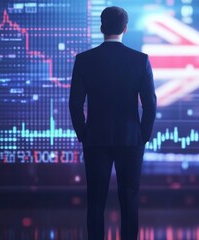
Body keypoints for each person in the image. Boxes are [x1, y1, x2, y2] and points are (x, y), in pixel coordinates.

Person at [68, 6, 156, 240]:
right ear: (125, 29)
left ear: (101, 28)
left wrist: (83, 134)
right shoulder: (140, 60)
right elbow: (150, 103)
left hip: (95, 139)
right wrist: (143, 135)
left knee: (95, 201)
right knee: (130, 200)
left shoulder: (84, 60)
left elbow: (75, 104)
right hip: (130, 139)